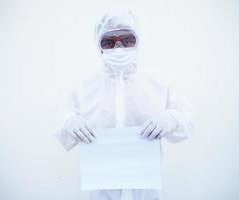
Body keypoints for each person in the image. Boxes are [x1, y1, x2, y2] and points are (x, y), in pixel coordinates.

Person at [54, 9, 194, 200]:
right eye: (109, 42)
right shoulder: (84, 87)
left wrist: (172, 119)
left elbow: (188, 123)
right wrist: (69, 121)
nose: (118, 48)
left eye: (127, 40)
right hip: (101, 190)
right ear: (98, 45)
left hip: (148, 191)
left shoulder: (158, 83)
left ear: (138, 41)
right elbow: (62, 123)